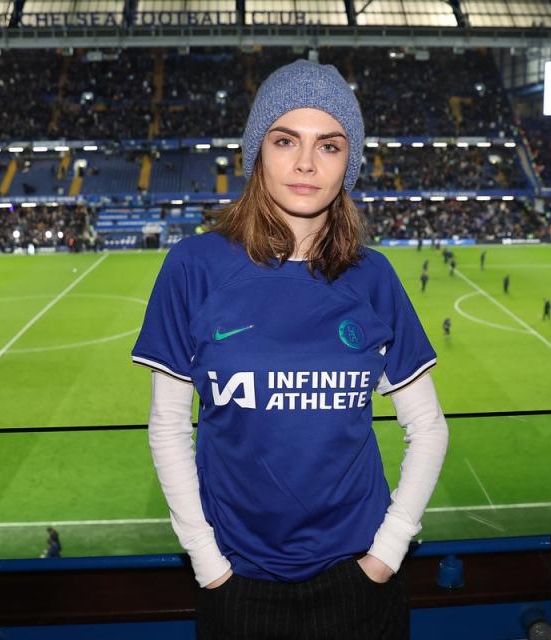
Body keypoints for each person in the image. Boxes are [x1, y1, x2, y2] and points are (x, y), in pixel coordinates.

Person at [131, 59, 448, 640]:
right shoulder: (194, 267)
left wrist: (386, 552)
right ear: (258, 152)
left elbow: (427, 427)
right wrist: (207, 561)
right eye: (285, 141)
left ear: (348, 162)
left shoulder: (372, 277)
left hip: (361, 580)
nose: (305, 163)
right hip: (237, 585)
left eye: (328, 145)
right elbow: (168, 425)